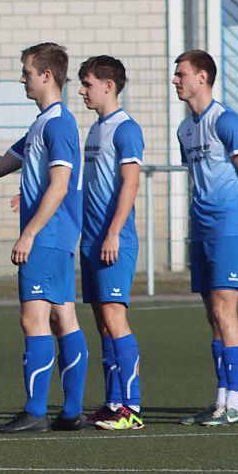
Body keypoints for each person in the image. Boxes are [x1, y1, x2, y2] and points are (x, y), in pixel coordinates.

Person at [0, 42, 89, 434]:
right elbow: (1, 165)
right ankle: (71, 412)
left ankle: (37, 410)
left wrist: (29, 233)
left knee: (33, 316)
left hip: (49, 236)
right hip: (55, 236)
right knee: (62, 315)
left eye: (27, 72)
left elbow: (60, 183)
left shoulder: (58, 123)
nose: (22, 78)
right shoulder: (42, 124)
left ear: (47, 76)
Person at [173, 49, 238, 428]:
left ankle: (237, 404)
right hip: (202, 231)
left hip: (230, 229)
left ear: (202, 78)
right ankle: (221, 400)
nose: (175, 80)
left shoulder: (225, 120)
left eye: (181, 74)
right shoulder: (184, 129)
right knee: (213, 316)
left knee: (225, 312)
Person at [75, 56, 146, 431]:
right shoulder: (95, 130)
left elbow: (131, 183)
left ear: (108, 85)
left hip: (113, 240)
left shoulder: (126, 128)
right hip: (92, 240)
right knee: (103, 323)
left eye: (87, 83)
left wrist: (115, 231)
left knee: (116, 320)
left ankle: (131, 409)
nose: (81, 91)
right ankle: (113, 402)